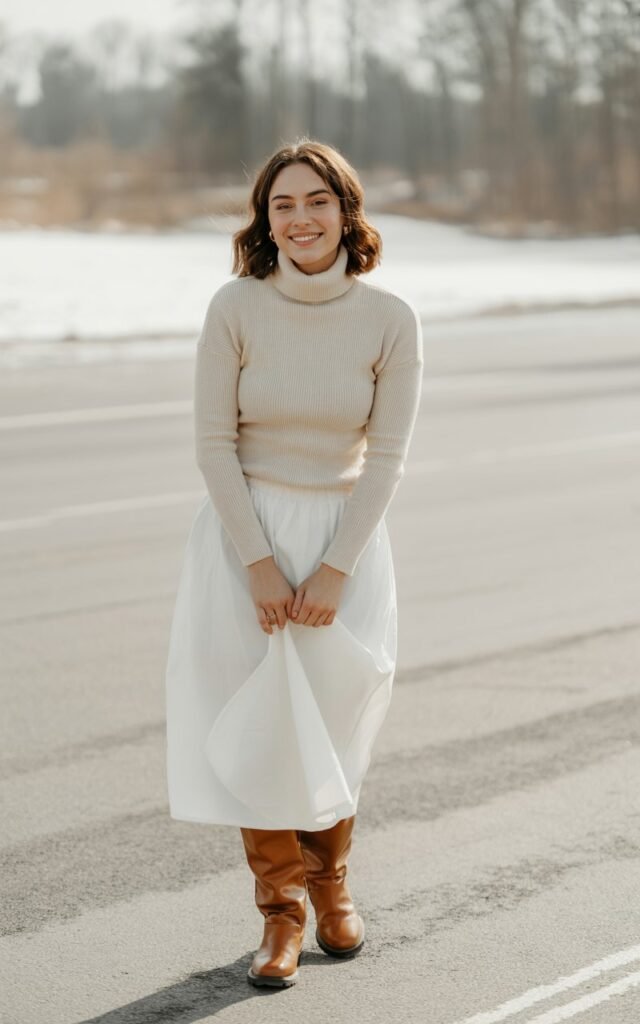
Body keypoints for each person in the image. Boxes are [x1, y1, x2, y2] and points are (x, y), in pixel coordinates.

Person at [165, 138, 424, 988]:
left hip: (345, 538)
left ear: (346, 211)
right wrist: (259, 564)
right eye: (283, 204)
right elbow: (213, 445)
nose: (301, 218)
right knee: (261, 722)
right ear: (264, 220)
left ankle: (332, 885)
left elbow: (386, 457)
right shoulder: (235, 308)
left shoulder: (390, 319)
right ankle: (279, 915)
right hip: (246, 537)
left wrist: (337, 566)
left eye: (316, 201)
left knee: (335, 716)